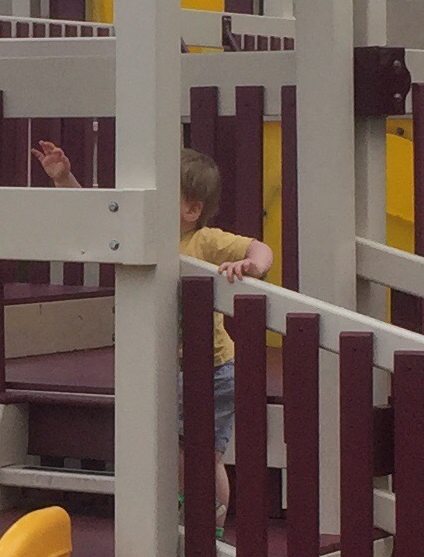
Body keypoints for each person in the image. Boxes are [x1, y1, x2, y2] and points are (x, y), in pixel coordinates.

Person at [35, 139, 269, 518]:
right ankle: (180, 514)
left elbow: (259, 248)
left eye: (161, 197)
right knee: (166, 449)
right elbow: (97, 216)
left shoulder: (202, 240)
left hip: (210, 369)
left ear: (191, 210)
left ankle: (212, 520)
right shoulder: (138, 235)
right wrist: (64, 178)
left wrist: (252, 266)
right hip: (161, 365)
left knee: (203, 451)